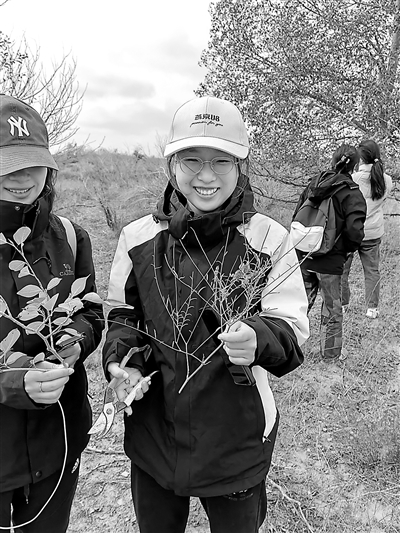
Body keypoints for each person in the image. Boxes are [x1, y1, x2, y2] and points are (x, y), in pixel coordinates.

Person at [102, 95, 309, 533]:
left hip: (236, 440)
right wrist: (123, 364)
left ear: (241, 166)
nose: (207, 175)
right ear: (171, 166)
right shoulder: (138, 238)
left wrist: (258, 338)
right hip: (154, 435)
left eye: (222, 161)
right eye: (192, 159)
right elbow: (123, 317)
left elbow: (290, 328)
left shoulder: (268, 239)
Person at [0, 95, 104, 532]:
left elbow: (91, 312)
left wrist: (76, 339)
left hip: (58, 444)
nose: (22, 177)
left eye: (32, 163)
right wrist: (13, 381)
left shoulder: (71, 238)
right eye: (7, 164)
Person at [293, 144, 367, 361]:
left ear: (333, 160)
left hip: (304, 254)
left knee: (298, 305)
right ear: (355, 167)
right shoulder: (352, 192)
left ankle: (286, 347)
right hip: (330, 260)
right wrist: (346, 251)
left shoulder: (314, 183)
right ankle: (330, 356)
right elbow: (355, 231)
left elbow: (297, 214)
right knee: (332, 309)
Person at [341, 140, 393, 319]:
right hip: (373, 231)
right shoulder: (387, 180)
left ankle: (342, 304)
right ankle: (372, 309)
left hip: (351, 230)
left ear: (360, 158)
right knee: (372, 270)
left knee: (343, 270)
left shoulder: (353, 178)